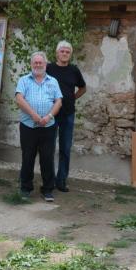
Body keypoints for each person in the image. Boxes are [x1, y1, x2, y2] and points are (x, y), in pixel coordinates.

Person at [15, 51, 62, 202]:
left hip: (48, 126)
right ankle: (25, 188)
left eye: (40, 62)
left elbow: (58, 101)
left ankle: (47, 190)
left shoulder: (53, 81)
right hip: (28, 125)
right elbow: (19, 98)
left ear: (45, 64)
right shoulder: (24, 80)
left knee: (47, 158)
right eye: (35, 62)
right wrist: (33, 115)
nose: (38, 65)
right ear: (31, 64)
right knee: (28, 157)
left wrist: (49, 116)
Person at [45, 40, 87, 192]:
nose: (64, 54)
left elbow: (83, 87)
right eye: (62, 51)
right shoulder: (48, 68)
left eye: (67, 52)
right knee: (48, 147)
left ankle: (61, 180)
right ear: (57, 53)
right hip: (50, 113)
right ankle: (48, 179)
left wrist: (72, 98)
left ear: (70, 55)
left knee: (65, 148)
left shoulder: (74, 70)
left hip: (68, 114)